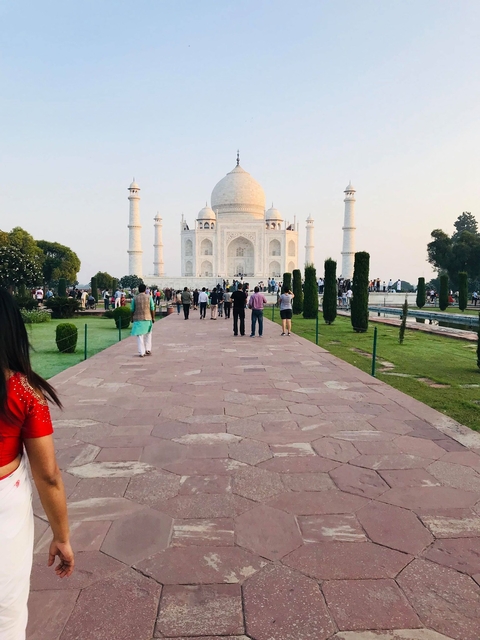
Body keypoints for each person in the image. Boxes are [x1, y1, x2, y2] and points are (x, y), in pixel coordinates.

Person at [0, 288, 74, 638]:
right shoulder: (23, 390)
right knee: (7, 613)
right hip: (5, 505)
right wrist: (61, 536)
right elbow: (48, 476)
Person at [130, 284, 155, 357]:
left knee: (140, 336)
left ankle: (142, 352)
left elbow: (132, 309)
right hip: (147, 317)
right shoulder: (149, 297)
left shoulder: (135, 298)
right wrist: (153, 317)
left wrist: (131, 318)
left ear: (138, 290)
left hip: (138, 318)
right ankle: (148, 349)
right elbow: (152, 308)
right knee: (148, 334)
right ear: (145, 290)